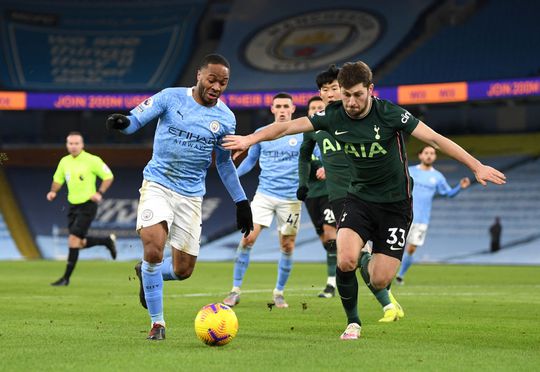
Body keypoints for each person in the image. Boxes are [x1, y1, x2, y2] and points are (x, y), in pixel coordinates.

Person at [222, 61, 506, 340]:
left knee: (381, 278)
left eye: (358, 94)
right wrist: (249, 139)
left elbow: (434, 138)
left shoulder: (389, 114)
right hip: (358, 199)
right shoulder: (333, 116)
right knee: (346, 259)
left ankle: (375, 274)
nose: (351, 101)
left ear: (371, 90)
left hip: (396, 205)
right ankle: (353, 322)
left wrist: (476, 165)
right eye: (346, 95)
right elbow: (285, 128)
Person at [105, 54, 253, 341]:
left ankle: (147, 274)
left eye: (223, 82)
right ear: (199, 75)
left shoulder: (225, 118)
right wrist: (122, 123)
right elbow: (136, 120)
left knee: (183, 270)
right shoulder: (171, 98)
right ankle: (157, 323)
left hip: (191, 195)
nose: (217, 86)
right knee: (153, 248)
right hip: (158, 183)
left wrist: (241, 201)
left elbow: (223, 163)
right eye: (212, 79)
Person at [299, 65, 404, 322]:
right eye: (326, 90)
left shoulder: (356, 117)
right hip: (336, 193)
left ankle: (383, 302)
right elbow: (304, 153)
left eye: (335, 88)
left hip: (363, 191)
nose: (332, 94)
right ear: (320, 94)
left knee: (349, 251)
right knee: (349, 253)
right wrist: (304, 180)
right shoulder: (321, 122)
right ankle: (386, 303)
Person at [222, 93, 303, 309]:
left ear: (293, 109)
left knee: (287, 246)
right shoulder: (262, 134)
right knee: (247, 239)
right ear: (273, 109)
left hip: (291, 200)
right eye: (279, 106)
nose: (283, 110)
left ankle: (279, 293)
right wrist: (234, 177)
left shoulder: (303, 134)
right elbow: (251, 160)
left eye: (287, 106)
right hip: (265, 195)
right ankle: (235, 291)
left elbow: (316, 159)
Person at [46, 131, 117, 286]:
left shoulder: (92, 160)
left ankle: (65, 278)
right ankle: (106, 241)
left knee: (73, 240)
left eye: (76, 143)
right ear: (66, 145)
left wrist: (100, 192)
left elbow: (108, 176)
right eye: (70, 143)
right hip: (73, 206)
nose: (73, 146)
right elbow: (58, 179)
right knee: (78, 243)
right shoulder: (64, 161)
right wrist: (53, 191)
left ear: (82, 144)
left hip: (88, 205)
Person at [395, 145, 471, 284]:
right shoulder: (410, 171)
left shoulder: (437, 177)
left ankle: (400, 275)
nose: (429, 155)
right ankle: (385, 273)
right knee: (395, 246)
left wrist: (460, 187)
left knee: (411, 249)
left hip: (421, 220)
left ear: (435, 157)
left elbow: (449, 194)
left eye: (432, 153)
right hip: (402, 216)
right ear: (420, 155)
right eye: (426, 153)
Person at [299, 95, 338, 298]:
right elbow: (303, 162)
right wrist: (302, 185)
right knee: (325, 240)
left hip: (330, 192)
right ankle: (348, 260)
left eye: (319, 107)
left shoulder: (333, 133)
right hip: (312, 196)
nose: (315, 111)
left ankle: (332, 284)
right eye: (312, 108)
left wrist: (329, 169)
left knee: (330, 234)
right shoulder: (306, 136)